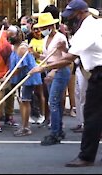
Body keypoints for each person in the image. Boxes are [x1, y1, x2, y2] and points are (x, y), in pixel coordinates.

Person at [30, 0, 102, 167]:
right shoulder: (95, 24)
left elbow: (69, 58)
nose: (69, 20)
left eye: (72, 16)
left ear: (82, 13)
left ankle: (86, 156)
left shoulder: (87, 29)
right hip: (95, 73)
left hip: (99, 75)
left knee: (92, 117)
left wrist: (42, 69)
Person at [33, 12, 70, 146]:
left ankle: (55, 133)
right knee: (55, 102)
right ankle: (58, 130)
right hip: (50, 70)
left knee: (53, 102)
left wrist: (53, 71)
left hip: (60, 71)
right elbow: (47, 57)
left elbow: (66, 58)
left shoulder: (60, 38)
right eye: (42, 28)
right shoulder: (45, 39)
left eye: (44, 27)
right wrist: (36, 55)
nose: (42, 30)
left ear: (51, 25)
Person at [7, 26, 42, 136]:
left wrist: (8, 77)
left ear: (17, 35)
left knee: (25, 101)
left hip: (27, 78)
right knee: (22, 101)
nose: (9, 38)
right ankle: (24, 125)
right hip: (21, 77)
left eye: (11, 35)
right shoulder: (15, 47)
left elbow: (20, 67)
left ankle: (25, 127)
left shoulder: (22, 48)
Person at [29, 26, 47, 125]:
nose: (36, 31)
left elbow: (43, 56)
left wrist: (35, 54)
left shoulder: (45, 41)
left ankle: (42, 115)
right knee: (33, 93)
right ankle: (33, 114)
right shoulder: (31, 41)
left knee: (41, 93)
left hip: (43, 69)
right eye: (34, 29)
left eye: (38, 29)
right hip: (34, 69)